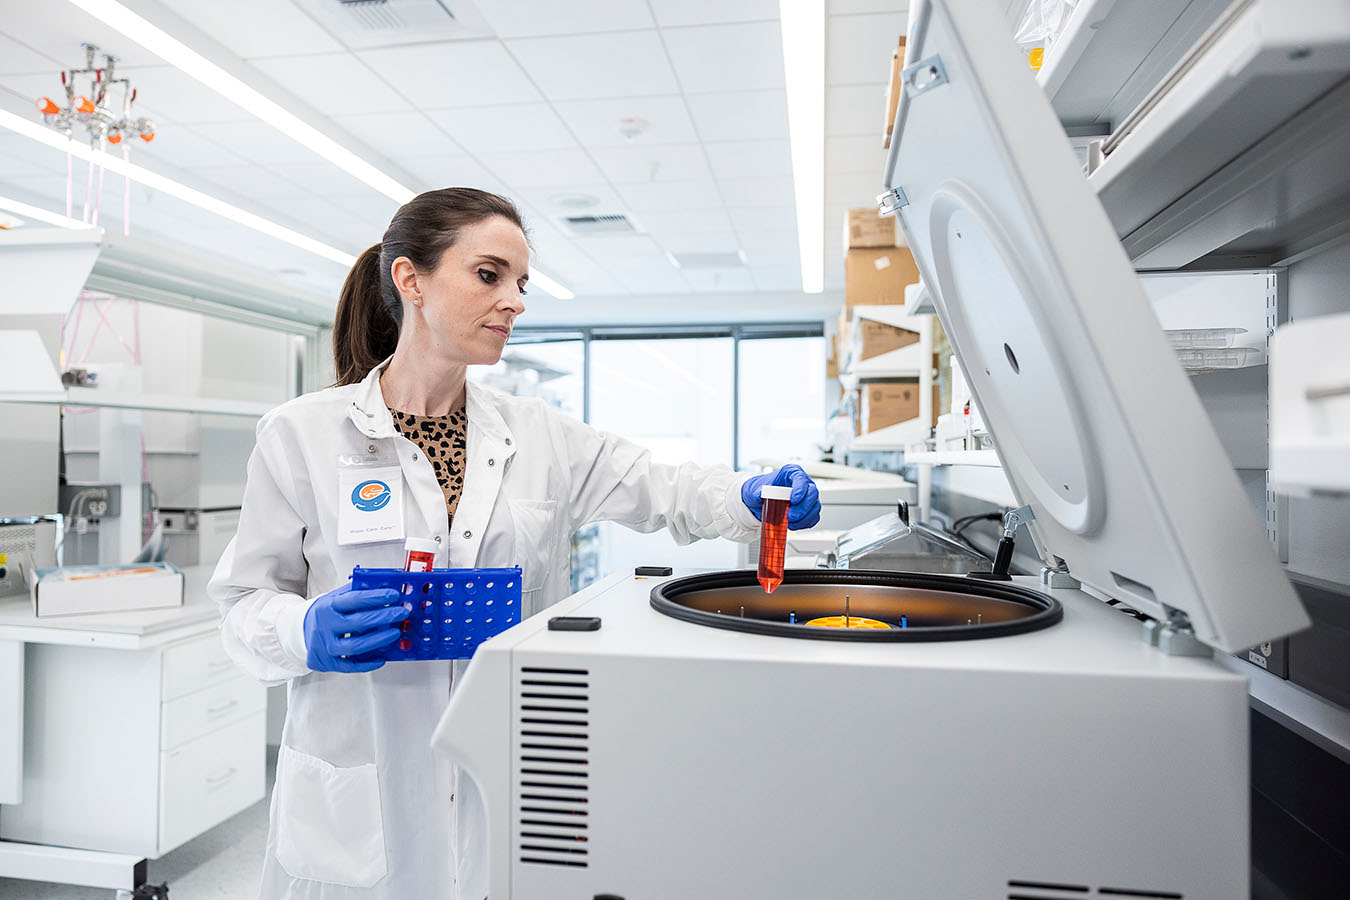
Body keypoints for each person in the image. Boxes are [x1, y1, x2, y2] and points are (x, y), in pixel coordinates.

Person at [208, 187, 821, 900]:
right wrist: (302, 628)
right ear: (411, 281)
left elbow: (664, 486)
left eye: (521, 282)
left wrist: (747, 496)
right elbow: (243, 604)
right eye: (490, 275)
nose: (516, 300)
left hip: (506, 778)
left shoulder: (539, 435)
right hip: (357, 792)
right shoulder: (302, 435)